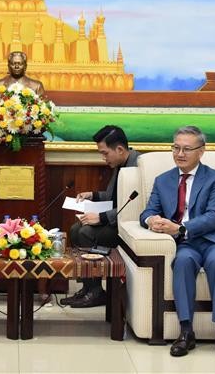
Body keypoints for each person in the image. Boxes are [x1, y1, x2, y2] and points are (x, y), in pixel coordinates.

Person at [140, 126, 215, 359]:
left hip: (214, 240)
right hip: (185, 244)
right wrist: (152, 220)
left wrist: (182, 228)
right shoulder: (163, 180)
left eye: (187, 149)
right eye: (176, 148)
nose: (180, 154)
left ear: (201, 151)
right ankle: (186, 332)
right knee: (183, 262)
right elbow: (148, 210)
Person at [60, 125, 139, 308]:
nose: (103, 158)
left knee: (86, 232)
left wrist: (101, 218)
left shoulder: (137, 166)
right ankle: (89, 288)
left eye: (105, 153)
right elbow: (113, 196)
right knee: (75, 229)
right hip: (116, 220)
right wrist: (93, 195)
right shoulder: (120, 163)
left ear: (119, 149)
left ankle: (96, 292)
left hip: (128, 226)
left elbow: (134, 205)